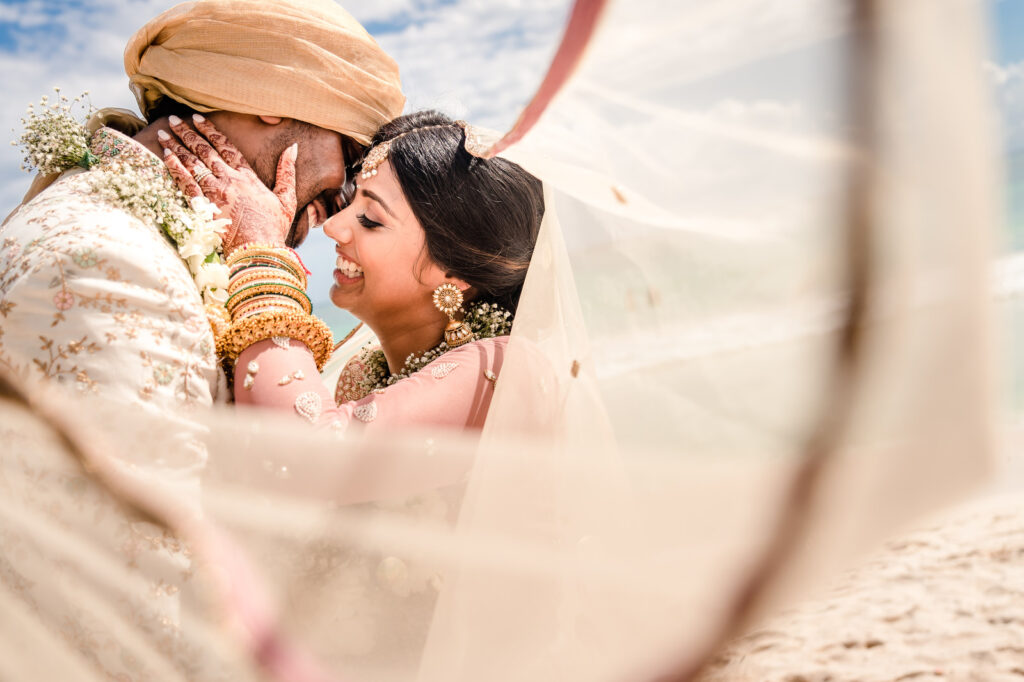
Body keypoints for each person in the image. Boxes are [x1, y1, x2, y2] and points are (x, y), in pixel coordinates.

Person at [0, 0, 403, 430]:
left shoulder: (145, 235)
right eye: (353, 154)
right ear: (272, 97)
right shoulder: (110, 261)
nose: (339, 203)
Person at [161, 110, 545, 432]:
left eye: (371, 219)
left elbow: (305, 461)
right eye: (350, 199)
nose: (333, 226)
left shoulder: (505, 370)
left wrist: (260, 251)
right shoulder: (361, 373)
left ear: (452, 272)